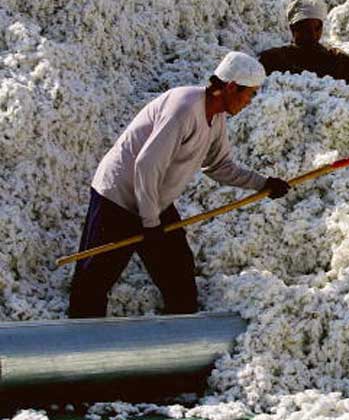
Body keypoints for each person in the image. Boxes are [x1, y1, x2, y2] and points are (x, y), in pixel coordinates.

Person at [68, 51, 292, 318]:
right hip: (118, 198)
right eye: (250, 94)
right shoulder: (184, 107)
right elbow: (146, 165)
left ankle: (179, 341)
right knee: (94, 281)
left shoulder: (216, 118)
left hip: (153, 201)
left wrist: (263, 184)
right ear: (231, 86)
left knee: (178, 274)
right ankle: (79, 345)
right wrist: (150, 223)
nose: (250, 101)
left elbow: (220, 166)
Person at [258, 0, 349, 91]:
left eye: (317, 28)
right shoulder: (275, 59)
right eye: (305, 28)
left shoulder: (336, 59)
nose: (312, 34)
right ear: (293, 29)